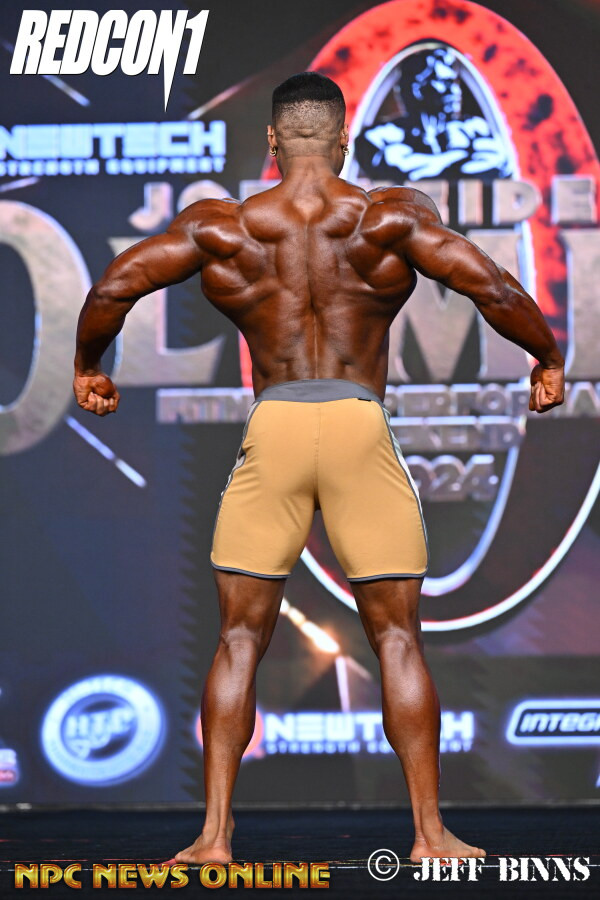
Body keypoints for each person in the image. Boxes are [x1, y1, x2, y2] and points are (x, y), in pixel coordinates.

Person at [73, 72, 565, 864]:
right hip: (357, 429)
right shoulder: (388, 218)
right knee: (397, 637)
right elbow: (493, 286)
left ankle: (213, 838)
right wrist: (545, 357)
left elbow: (115, 285)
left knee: (238, 638)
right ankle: (430, 835)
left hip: (274, 430)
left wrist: (89, 364)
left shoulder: (223, 227)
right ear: (344, 139)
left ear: (273, 140)